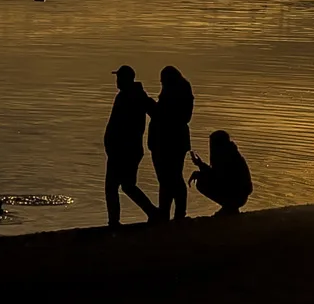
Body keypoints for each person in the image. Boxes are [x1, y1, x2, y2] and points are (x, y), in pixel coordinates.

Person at [102, 64, 159, 229]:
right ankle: (152, 212)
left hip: (124, 150)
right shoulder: (128, 95)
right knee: (127, 185)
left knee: (113, 187)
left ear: (125, 79)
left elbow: (154, 111)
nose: (117, 81)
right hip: (123, 149)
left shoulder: (133, 96)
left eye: (119, 78)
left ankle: (114, 222)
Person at [149, 66, 195, 222]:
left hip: (168, 143)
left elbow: (164, 116)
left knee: (170, 178)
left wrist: (150, 106)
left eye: (162, 80)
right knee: (170, 178)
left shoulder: (173, 96)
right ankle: (169, 213)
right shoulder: (182, 94)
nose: (161, 83)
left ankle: (173, 213)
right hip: (175, 142)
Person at [191, 130, 253, 216]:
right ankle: (229, 207)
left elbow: (218, 178)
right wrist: (200, 164)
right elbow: (217, 175)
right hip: (240, 195)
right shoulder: (232, 153)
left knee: (201, 183)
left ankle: (229, 207)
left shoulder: (225, 157)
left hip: (237, 196)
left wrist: (201, 169)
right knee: (202, 178)